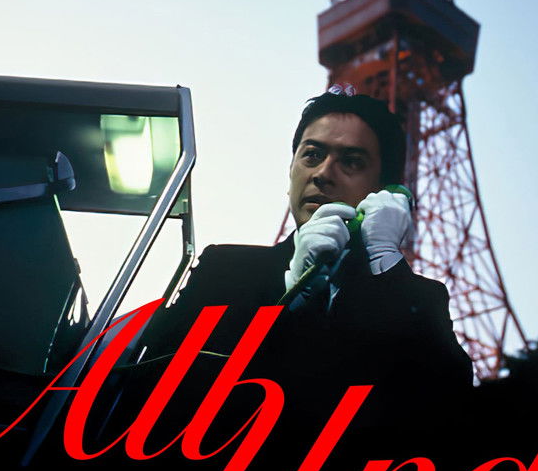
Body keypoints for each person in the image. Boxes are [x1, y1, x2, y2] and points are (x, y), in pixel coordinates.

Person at [136, 88, 472, 424]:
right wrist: (291, 294)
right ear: (291, 168)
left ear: (384, 191)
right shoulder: (224, 269)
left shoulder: (420, 298)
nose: (323, 173)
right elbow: (154, 386)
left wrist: (385, 263)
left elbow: (448, 414)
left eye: (352, 162)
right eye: (312, 155)